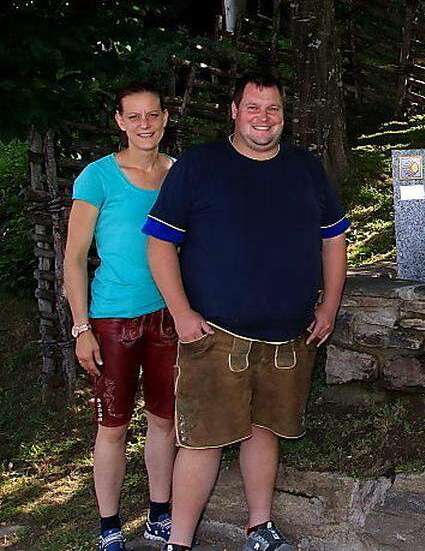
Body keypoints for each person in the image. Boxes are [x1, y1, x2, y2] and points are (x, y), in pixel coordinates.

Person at [142, 71, 349, 551]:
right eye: (253, 108)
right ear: (234, 112)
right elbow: (159, 243)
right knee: (203, 441)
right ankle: (180, 542)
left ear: (283, 116)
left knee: (266, 430)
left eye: (273, 109)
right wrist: (181, 313)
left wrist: (331, 305)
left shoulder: (305, 168)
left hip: (287, 335)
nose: (264, 117)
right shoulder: (199, 165)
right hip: (213, 334)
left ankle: (260, 528)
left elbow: (333, 237)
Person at [64, 81, 177, 551]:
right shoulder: (98, 177)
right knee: (112, 426)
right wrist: (81, 327)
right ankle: (109, 524)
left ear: (165, 118)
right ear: (119, 121)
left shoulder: (180, 173)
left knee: (165, 422)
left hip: (169, 315)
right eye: (134, 116)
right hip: (112, 319)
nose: (144, 124)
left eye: (152, 115)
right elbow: (73, 258)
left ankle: (159, 514)